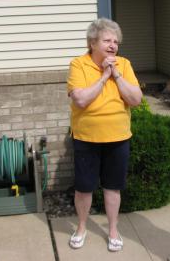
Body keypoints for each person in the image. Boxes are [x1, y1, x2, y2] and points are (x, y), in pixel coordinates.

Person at [66, 18, 142, 252]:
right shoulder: (79, 64)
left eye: (116, 42)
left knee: (112, 187)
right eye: (107, 40)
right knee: (84, 188)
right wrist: (103, 77)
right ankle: (81, 227)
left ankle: (113, 230)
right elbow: (80, 99)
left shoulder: (124, 65)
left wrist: (116, 75)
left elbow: (136, 99)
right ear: (92, 42)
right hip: (86, 138)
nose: (113, 46)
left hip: (118, 137)